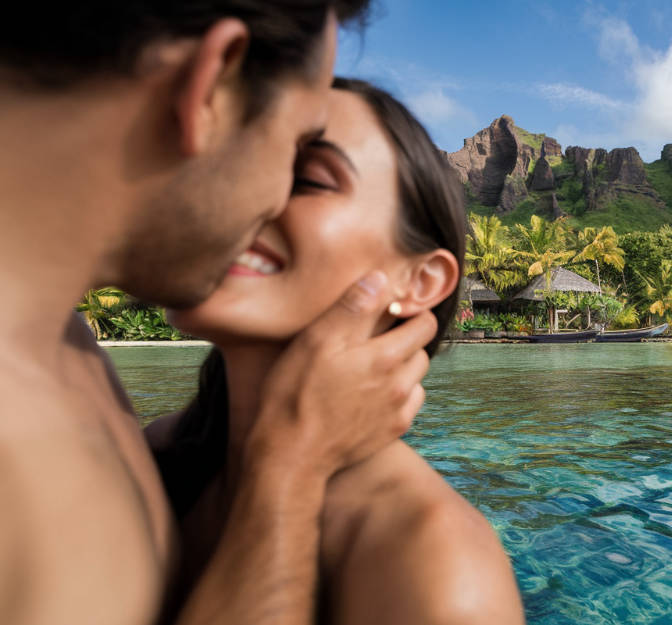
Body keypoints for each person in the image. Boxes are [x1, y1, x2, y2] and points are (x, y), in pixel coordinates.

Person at [0, 3, 439, 624]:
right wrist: (292, 467)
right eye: (293, 147)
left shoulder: (75, 364)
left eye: (308, 173)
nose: (272, 202)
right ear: (212, 85)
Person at [147, 77, 526, 625]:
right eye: (236, 160)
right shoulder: (150, 455)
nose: (240, 191)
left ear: (420, 281)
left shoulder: (435, 563)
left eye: (306, 178)